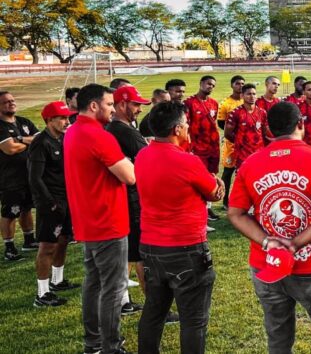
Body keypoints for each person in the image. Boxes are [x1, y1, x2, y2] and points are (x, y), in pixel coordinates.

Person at [228, 101, 311, 354]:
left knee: (278, 337)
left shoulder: (250, 163)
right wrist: (294, 244)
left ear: (268, 130)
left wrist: (268, 242)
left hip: (266, 263)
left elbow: (235, 214)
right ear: (300, 124)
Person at [135, 101, 223, 354]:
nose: (188, 128)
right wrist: (218, 184)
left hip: (151, 246)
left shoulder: (143, 155)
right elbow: (214, 193)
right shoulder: (187, 161)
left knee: (154, 311)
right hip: (186, 248)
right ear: (176, 129)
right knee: (194, 319)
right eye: (185, 124)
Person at [65, 84, 136, 354]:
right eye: (108, 104)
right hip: (108, 221)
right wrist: (127, 161)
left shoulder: (73, 130)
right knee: (113, 288)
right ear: (94, 105)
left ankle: (93, 343)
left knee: (93, 283)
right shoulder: (98, 135)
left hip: (88, 219)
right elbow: (130, 176)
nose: (112, 109)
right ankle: (111, 346)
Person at [106, 85, 151, 316]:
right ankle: (155, 310)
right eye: (136, 104)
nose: (139, 109)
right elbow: (149, 161)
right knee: (142, 255)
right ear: (122, 104)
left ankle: (124, 301)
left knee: (129, 253)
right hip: (132, 200)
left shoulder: (115, 129)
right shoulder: (124, 131)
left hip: (123, 199)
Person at [29, 102, 77, 307]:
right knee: (48, 245)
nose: (67, 122)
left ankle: (57, 281)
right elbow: (35, 178)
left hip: (66, 199)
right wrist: (50, 203)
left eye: (68, 117)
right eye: (62, 118)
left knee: (63, 239)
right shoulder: (41, 142)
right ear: (49, 120)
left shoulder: (63, 138)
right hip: (52, 202)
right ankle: (42, 293)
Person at [0, 91, 39, 261]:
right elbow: (10, 149)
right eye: (6, 102)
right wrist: (27, 142)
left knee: (26, 208)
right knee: (10, 212)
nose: (11, 103)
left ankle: (29, 240)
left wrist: (19, 138)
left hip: (28, 174)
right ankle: (9, 248)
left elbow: (39, 140)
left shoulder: (24, 122)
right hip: (9, 177)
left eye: (12, 100)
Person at [185, 76, 222, 225]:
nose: (210, 87)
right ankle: (199, 210)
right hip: (198, 148)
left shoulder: (214, 103)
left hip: (213, 147)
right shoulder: (189, 103)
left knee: (212, 176)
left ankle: (208, 208)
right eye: (208, 84)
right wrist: (190, 147)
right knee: (200, 179)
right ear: (201, 84)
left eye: (213, 85)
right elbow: (186, 126)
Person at [224, 83, 270, 169]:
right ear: (242, 96)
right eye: (249, 94)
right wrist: (240, 142)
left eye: (254, 94)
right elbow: (227, 134)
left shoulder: (262, 112)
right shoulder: (235, 113)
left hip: (259, 153)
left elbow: (265, 132)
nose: (252, 96)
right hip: (242, 155)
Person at [218, 75, 245, 210]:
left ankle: (242, 201)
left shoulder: (248, 100)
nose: (240, 86)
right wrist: (235, 135)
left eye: (242, 84)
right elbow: (221, 123)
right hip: (231, 144)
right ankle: (224, 200)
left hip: (246, 145)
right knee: (228, 172)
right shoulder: (225, 103)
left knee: (244, 172)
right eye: (237, 83)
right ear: (232, 85)